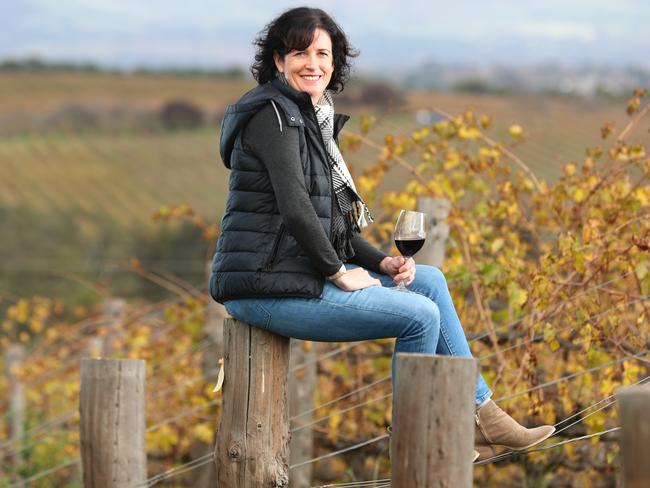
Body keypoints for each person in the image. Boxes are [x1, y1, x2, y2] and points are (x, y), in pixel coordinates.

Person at [208, 6, 554, 462]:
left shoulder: (311, 120)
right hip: (262, 286)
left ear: (335, 62)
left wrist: (380, 264)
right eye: (299, 53)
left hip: (290, 273)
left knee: (428, 281)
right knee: (418, 316)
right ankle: (417, 443)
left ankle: (481, 414)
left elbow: (332, 224)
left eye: (322, 53)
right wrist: (337, 272)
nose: (313, 63)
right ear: (278, 60)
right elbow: (296, 210)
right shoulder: (271, 116)